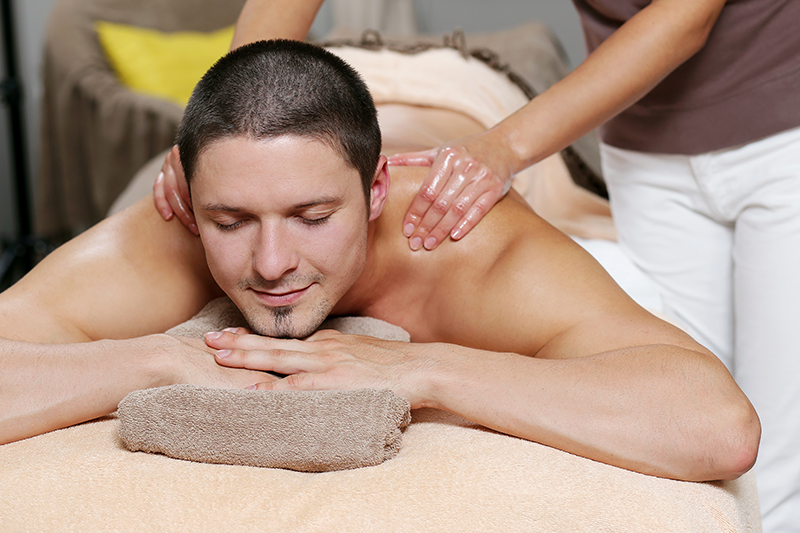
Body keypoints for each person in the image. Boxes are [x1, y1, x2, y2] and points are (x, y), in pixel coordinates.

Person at [0, 2, 759, 485]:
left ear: (376, 195)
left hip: (460, 92)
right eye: (232, 222)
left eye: (312, 215)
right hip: (298, 90)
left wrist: (423, 368)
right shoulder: (177, 222)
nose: (270, 265)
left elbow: (716, 424)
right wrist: (158, 357)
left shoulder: (464, 242)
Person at [293, 2, 795, 530]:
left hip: (785, 122)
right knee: (681, 404)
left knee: (781, 447)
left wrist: (504, 145)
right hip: (646, 137)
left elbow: (685, 15)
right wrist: (217, 140)